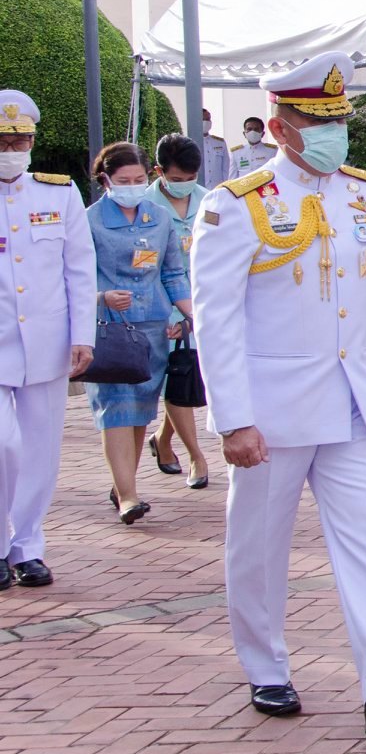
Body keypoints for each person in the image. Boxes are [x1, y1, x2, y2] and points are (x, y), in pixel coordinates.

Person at [191, 52, 366, 736]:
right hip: (273, 412)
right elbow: (217, 320)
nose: (333, 134)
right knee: (260, 546)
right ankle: (266, 666)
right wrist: (233, 419)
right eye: (316, 120)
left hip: (357, 402)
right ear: (280, 126)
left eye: (339, 120)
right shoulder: (234, 207)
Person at [0, 90, 95, 590]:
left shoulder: (58, 193)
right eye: (4, 138)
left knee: (39, 449)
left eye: (22, 138)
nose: (13, 147)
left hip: (46, 341)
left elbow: (79, 268)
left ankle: (27, 546)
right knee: (3, 444)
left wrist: (83, 335)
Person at [87, 141, 193, 527]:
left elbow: (172, 272)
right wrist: (99, 297)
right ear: (105, 180)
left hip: (151, 326)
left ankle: (123, 484)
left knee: (139, 412)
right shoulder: (90, 220)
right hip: (108, 328)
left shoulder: (159, 218)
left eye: (137, 179)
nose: (131, 186)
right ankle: (129, 495)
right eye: (122, 180)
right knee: (114, 407)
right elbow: (72, 275)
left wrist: (190, 312)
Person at [148, 133, 211, 490]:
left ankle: (162, 438)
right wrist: (173, 315)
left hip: (203, 303)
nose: (185, 187)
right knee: (178, 372)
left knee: (191, 378)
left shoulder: (210, 201)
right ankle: (196, 456)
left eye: (190, 180)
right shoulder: (144, 206)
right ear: (159, 171)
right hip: (165, 308)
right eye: (176, 180)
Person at [199, 108, 231, 190]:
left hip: (216, 188)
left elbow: (226, 167)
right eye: (203, 119)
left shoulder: (220, 142)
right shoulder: (190, 142)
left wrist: (225, 187)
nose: (206, 122)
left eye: (208, 119)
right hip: (198, 188)